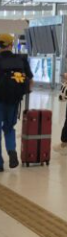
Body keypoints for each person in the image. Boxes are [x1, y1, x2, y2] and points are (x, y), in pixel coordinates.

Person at [0, 33, 32, 170]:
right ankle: (12, 151)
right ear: (11, 45)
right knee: (9, 128)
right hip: (14, 100)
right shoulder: (21, 59)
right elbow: (30, 80)